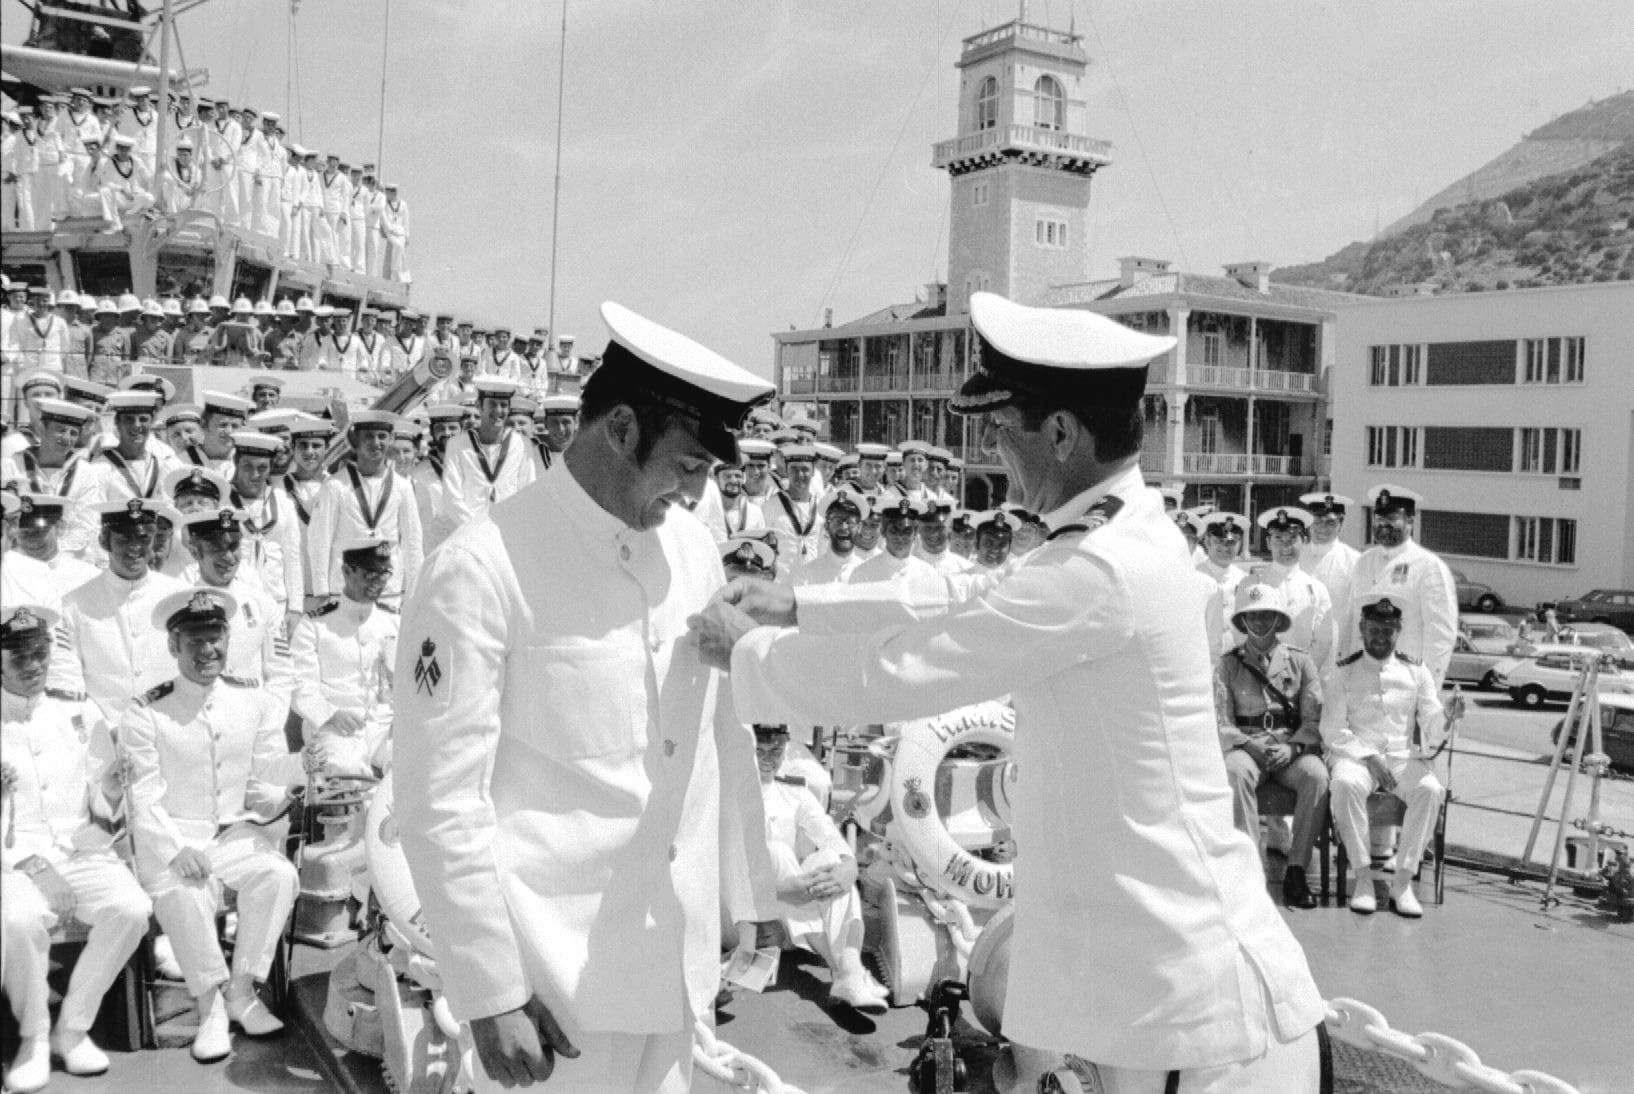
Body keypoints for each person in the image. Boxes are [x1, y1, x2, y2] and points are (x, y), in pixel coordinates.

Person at [691, 292, 1325, 1090]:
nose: (994, 449)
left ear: (1060, 432)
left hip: (1187, 1009)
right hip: (1144, 980)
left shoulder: (1097, 570)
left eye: (1001, 428)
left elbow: (908, 667)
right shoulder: (1119, 537)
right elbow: (972, 595)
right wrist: (801, 602)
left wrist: (746, 656)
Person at [393, 300, 777, 1093]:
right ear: (623, 429)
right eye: (689, 466)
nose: (698, 493)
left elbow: (718, 735)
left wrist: (751, 890)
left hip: (674, 963)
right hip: (555, 986)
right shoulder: (483, 566)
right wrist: (489, 989)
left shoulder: (693, 550)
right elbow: (439, 800)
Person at [119, 585, 297, 1063]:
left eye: (215, 636)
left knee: (279, 874)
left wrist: (297, 782)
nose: (207, 650)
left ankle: (241, 991)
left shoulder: (252, 699)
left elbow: (263, 783)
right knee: (186, 891)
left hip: (233, 835)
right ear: (174, 646)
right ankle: (210, 1006)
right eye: (194, 640)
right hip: (172, 841)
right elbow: (141, 796)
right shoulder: (146, 710)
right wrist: (177, 848)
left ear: (228, 638)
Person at [1, 603, 152, 1092]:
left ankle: (73, 1026)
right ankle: (34, 1037)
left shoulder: (78, 710)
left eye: (40, 653)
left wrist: (110, 787)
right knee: (19, 920)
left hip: (78, 847)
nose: (34, 665)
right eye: (19, 656)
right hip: (12, 861)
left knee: (132, 908)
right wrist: (36, 868)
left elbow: (101, 805)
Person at [1321, 591, 1461, 918]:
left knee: (1429, 789)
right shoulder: (1343, 672)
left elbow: (1431, 721)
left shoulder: (1416, 672)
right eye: (1373, 630)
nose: (1380, 637)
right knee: (1344, 786)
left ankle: (1402, 882)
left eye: (1387, 631)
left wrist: (1449, 715)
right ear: (1361, 629)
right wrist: (1368, 756)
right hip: (1356, 757)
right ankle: (1364, 879)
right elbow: (1333, 729)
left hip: (1400, 757)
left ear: (1398, 631)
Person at [734, 724, 888, 1013]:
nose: (768, 759)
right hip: (744, 920)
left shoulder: (794, 795)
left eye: (776, 750)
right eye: (760, 751)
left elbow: (829, 835)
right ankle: (845, 972)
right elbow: (719, 869)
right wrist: (777, 890)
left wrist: (849, 866)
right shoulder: (729, 798)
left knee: (830, 858)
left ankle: (849, 969)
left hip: (791, 918)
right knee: (777, 852)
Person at [1214, 582, 1328, 910]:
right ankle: (1251, 873)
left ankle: (1296, 870)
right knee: (1233, 772)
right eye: (1252, 616)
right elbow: (1222, 722)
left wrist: (1292, 748)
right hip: (1248, 748)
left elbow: (1311, 720)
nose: (1260, 621)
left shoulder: (1301, 662)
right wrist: (1251, 746)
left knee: (1317, 776)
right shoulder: (1228, 664)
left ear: (1278, 620)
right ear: (1242, 622)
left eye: (1267, 615)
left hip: (1289, 747)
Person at [51, 498, 187, 725]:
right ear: (104, 541)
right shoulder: (74, 604)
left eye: (143, 537)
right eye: (124, 538)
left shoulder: (178, 596)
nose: (135, 547)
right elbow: (70, 680)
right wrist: (104, 730)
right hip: (105, 733)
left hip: (170, 727)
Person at [289, 535, 398, 777]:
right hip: (334, 726)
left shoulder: (392, 622)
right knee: (342, 770)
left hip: (383, 726)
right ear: (347, 571)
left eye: (384, 573)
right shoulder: (315, 624)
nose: (379, 582)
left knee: (414, 766)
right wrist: (330, 714)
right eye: (371, 574)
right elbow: (299, 685)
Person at [307, 410, 423, 607]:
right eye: (368, 436)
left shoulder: (401, 486)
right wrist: (321, 591)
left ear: (391, 439)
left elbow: (412, 542)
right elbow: (320, 541)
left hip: (388, 591)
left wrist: (416, 591)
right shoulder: (335, 486)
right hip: (344, 590)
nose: (376, 443)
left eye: (382, 436)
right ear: (356, 441)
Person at [1349, 485, 1459, 687]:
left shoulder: (1428, 566)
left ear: (1410, 521)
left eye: (1392, 519)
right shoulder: (1363, 562)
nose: (1384, 525)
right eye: (1379, 519)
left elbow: (1440, 635)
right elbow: (1355, 623)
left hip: (1406, 684)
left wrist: (1428, 691)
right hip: (1363, 682)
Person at [437, 377, 538, 527]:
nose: (498, 410)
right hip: (468, 532)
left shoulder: (522, 445)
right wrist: (478, 529)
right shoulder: (457, 444)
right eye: (492, 404)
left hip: (508, 529)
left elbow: (528, 492)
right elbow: (452, 498)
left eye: (503, 405)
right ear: (479, 405)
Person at [1253, 506, 1336, 671]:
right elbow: (1242, 636)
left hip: (1302, 679)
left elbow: (1323, 642)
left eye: (1292, 538)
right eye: (1278, 539)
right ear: (1268, 543)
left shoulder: (1317, 589)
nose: (1286, 546)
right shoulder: (1252, 585)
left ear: (1304, 542)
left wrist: (1301, 676)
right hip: (1259, 678)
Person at [1298, 492, 1359, 653]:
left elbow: (1358, 614)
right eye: (1317, 521)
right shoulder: (1295, 556)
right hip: (1296, 650)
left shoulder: (1354, 562)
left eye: (1330, 523)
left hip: (1336, 653)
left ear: (1341, 524)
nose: (1322, 528)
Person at [1197, 511, 1251, 657]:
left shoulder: (1245, 581)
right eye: (1218, 541)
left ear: (1239, 544)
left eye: (1231, 542)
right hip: (1202, 662)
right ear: (1207, 541)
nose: (1225, 548)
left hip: (1237, 662)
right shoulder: (1193, 577)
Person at [792, 487, 868, 587]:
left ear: (859, 527)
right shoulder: (806, 575)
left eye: (850, 522)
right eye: (837, 521)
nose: (844, 527)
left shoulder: (869, 574)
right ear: (826, 527)